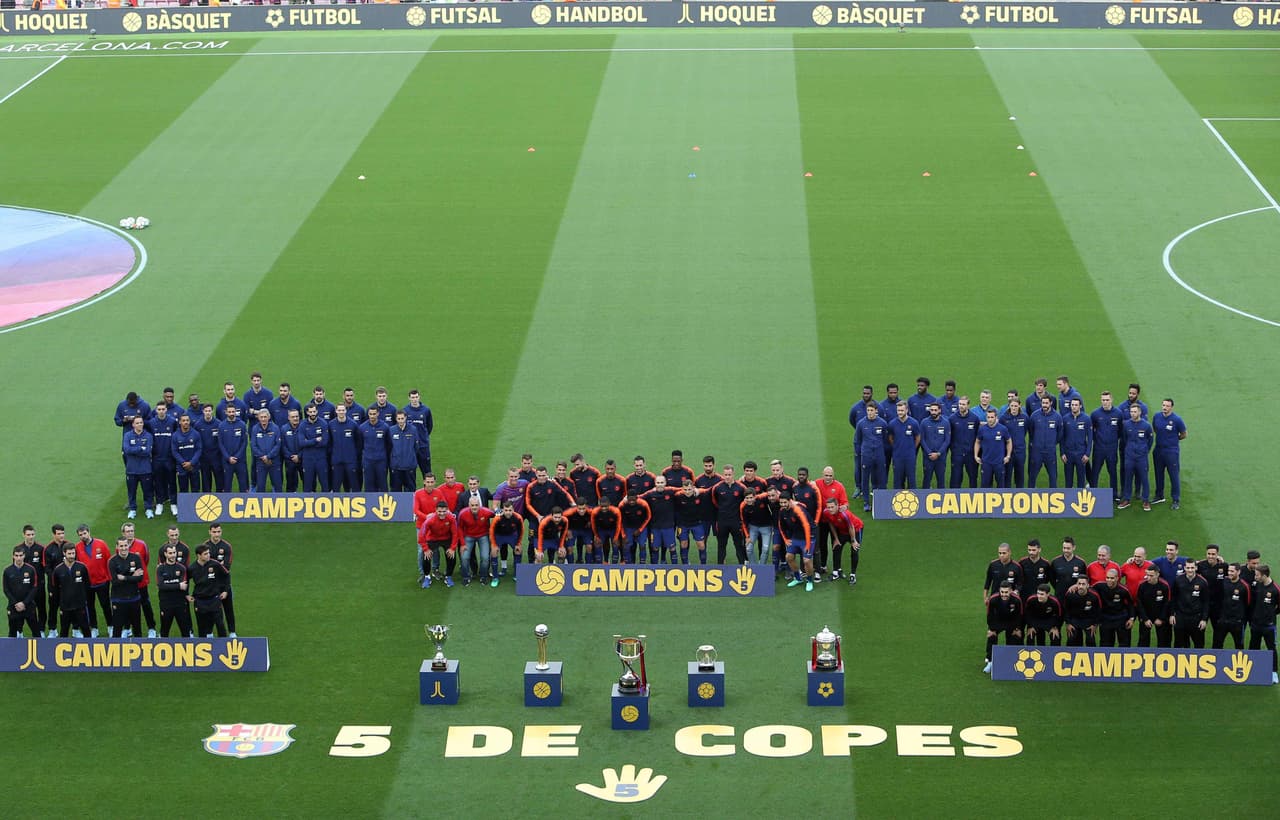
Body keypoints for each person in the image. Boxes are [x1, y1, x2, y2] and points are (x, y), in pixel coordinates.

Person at [121, 522, 157, 638]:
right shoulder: (121, 546)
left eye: (132, 531)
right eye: (128, 531)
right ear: (123, 533)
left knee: (145, 604)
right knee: (127, 605)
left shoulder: (142, 544)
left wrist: (139, 573)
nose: (130, 533)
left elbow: (145, 560)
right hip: (127, 583)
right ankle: (127, 628)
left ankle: (151, 628)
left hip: (141, 581)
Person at [76, 525, 112, 637]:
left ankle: (111, 626)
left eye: (84, 533)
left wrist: (109, 578)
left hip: (102, 582)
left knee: (105, 605)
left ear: (89, 532)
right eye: (80, 535)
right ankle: (94, 628)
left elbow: (109, 561)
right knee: (90, 607)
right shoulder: (77, 547)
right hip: (87, 584)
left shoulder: (101, 544)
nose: (83, 536)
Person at [187, 544, 229, 638]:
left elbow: (226, 575)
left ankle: (224, 647)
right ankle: (203, 648)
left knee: (220, 625)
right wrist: (187, 594)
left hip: (214, 599)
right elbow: (185, 580)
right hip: (200, 601)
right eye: (205, 554)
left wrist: (225, 591)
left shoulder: (215, 564)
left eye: (208, 553)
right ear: (199, 555)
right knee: (202, 627)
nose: (208, 555)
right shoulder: (192, 568)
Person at [1152, 398, 1187, 509]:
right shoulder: (1157, 416)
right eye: (1163, 405)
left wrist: (1173, 440)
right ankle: (1159, 495)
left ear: (1171, 407)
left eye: (1167, 406)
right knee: (1158, 474)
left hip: (1171, 452)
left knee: (1174, 476)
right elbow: (1155, 428)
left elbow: (1184, 434)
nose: (1164, 407)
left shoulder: (1177, 419)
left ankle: (1176, 499)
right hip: (1158, 450)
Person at [854, 403, 890, 510]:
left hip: (879, 454)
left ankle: (882, 501)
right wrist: (859, 452)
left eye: (871, 410)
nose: (870, 413)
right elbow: (857, 440)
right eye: (868, 410)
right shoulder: (861, 424)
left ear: (876, 411)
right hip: (866, 455)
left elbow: (885, 439)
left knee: (881, 477)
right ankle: (866, 502)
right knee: (865, 478)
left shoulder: (882, 423)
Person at [819, 497, 863, 585]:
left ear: (837, 506)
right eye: (828, 507)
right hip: (842, 531)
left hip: (856, 529)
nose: (830, 509)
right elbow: (831, 524)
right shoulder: (826, 512)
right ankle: (836, 572)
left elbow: (851, 527)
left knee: (854, 550)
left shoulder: (844, 514)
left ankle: (853, 575)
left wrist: (853, 541)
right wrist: (836, 538)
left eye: (832, 507)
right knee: (836, 547)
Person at [107, 536, 144, 638]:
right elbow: (115, 582)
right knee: (117, 629)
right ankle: (115, 651)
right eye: (121, 546)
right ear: (117, 547)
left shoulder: (136, 558)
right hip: (118, 599)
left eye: (125, 545)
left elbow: (140, 578)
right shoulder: (112, 561)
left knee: (137, 628)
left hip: (134, 598)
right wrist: (132, 576)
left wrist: (124, 578)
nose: (124, 548)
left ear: (128, 545)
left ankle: (139, 649)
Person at [203, 525, 236, 637]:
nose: (216, 534)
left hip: (224, 583)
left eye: (218, 532)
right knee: (211, 609)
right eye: (214, 532)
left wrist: (212, 564)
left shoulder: (227, 546)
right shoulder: (205, 546)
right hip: (210, 585)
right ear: (210, 532)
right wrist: (218, 564)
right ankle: (209, 632)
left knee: (228, 608)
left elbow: (226, 567)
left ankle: (232, 632)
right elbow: (204, 565)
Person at [1089, 391, 1124, 498]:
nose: (1105, 402)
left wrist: (1112, 440)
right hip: (1098, 448)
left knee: (1112, 471)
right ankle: (1093, 492)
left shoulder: (1118, 413)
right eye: (1103, 400)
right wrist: (1098, 440)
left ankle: (1114, 495)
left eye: (1107, 400)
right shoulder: (1095, 414)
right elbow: (1091, 431)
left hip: (1112, 449)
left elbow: (1120, 431)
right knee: (1095, 471)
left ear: (1111, 400)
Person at [1247, 565, 1279, 683]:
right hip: (1255, 624)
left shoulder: (1275, 589)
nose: (1255, 577)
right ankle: (1251, 670)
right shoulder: (1258, 585)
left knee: (1271, 648)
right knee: (1253, 647)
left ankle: (1273, 672)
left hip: (1269, 626)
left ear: (1264, 576)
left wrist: (1270, 614)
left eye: (1257, 575)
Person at [418, 500, 461, 588]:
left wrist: (452, 548)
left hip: (446, 539)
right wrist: (426, 549)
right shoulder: (430, 520)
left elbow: (455, 534)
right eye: (439, 511)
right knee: (426, 556)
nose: (442, 513)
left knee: (452, 556)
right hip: (433, 539)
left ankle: (448, 576)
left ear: (447, 510)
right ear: (436, 510)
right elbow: (421, 535)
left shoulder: (451, 518)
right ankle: (427, 577)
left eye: (444, 511)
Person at [777, 494, 815, 592]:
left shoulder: (798, 510)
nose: (783, 504)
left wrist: (807, 544)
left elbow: (807, 527)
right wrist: (785, 539)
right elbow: (781, 527)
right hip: (795, 537)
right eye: (781, 502)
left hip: (809, 536)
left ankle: (810, 581)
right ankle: (798, 578)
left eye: (785, 502)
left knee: (806, 560)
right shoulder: (782, 511)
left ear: (790, 501)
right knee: (788, 557)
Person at [1119, 403, 1154, 510]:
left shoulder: (1146, 425)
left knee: (1144, 479)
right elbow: (1124, 439)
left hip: (1141, 458)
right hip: (1129, 457)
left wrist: (1144, 451)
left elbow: (1150, 440)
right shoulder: (1126, 425)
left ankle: (1146, 500)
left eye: (1135, 412)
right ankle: (1126, 499)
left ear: (1139, 412)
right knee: (1128, 478)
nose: (1133, 414)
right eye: (1131, 412)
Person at [52, 544, 90, 638]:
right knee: (64, 630)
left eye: (73, 553)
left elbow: (87, 585)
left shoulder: (82, 567)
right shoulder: (58, 570)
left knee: (85, 629)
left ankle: (90, 649)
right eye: (69, 553)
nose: (72, 556)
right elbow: (56, 589)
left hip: (80, 605)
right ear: (64, 553)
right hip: (65, 606)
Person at [983, 581, 1023, 673]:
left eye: (1006, 592)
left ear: (1011, 591)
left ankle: (1011, 662)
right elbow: (990, 615)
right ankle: (990, 662)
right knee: (991, 637)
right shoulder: (993, 599)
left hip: (1011, 622)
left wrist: (1017, 629)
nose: (1004, 594)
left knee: (1014, 638)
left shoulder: (1017, 600)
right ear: (999, 591)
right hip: (998, 622)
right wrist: (992, 629)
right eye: (1002, 592)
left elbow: (1019, 615)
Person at [711, 465, 746, 565]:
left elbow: (746, 501)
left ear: (733, 474)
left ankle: (742, 566)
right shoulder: (717, 488)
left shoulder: (741, 487)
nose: (727, 477)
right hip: (722, 522)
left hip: (736, 522)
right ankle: (720, 567)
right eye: (725, 475)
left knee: (739, 545)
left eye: (729, 475)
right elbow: (714, 501)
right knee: (721, 545)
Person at [15, 525, 46, 637]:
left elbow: (45, 567)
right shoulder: (19, 549)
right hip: (24, 587)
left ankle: (41, 630)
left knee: (41, 608)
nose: (30, 537)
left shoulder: (41, 548)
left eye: (32, 534)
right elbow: (15, 568)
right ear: (23, 534)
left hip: (38, 586)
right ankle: (19, 631)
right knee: (22, 608)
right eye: (28, 535)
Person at [122, 416, 156, 520]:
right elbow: (126, 450)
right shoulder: (127, 435)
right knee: (131, 491)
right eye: (137, 423)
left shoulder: (148, 436)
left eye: (141, 422)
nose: (139, 424)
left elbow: (147, 452)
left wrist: (135, 450)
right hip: (131, 469)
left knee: (147, 490)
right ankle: (132, 509)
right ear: (133, 424)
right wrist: (140, 448)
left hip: (145, 469)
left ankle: (148, 508)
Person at [457, 497, 496, 587]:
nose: (474, 507)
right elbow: (459, 528)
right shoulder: (462, 514)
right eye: (472, 505)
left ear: (480, 505)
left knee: (485, 557)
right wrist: (462, 544)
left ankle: (483, 576)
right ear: (469, 505)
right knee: (464, 557)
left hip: (483, 536)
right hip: (468, 536)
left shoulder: (487, 512)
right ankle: (466, 577)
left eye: (476, 505)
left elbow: (496, 515)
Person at [147, 403, 177, 516]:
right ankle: (159, 503)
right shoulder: (151, 423)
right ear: (156, 410)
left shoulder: (173, 422)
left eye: (163, 409)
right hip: (156, 458)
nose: (161, 411)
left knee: (172, 482)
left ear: (166, 410)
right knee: (158, 482)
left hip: (169, 458)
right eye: (159, 409)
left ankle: (174, 504)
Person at [1171, 559, 1209, 648]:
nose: (1190, 570)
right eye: (1188, 568)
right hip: (1181, 617)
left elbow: (1206, 602)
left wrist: (1204, 619)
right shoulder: (1178, 580)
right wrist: (1172, 614)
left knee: (1199, 644)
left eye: (1192, 567)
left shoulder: (1202, 582)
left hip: (1196, 617)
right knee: (1179, 644)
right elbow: (1173, 598)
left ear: (1196, 568)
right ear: (1184, 568)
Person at [1093, 568, 1135, 647]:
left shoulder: (1124, 590)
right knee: (1105, 644)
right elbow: (1088, 589)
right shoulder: (1099, 586)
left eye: (1112, 578)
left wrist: (1131, 619)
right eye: (1107, 578)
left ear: (1117, 578)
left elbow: (1130, 604)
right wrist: (1075, 586)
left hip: (1121, 618)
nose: (1109, 580)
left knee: (1124, 644)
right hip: (1105, 619)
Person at [1027, 395, 1062, 488]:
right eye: (1043, 403)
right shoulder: (1034, 416)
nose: (1044, 405)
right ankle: (1030, 495)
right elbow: (1031, 431)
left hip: (1050, 452)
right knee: (1032, 476)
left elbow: (1060, 433)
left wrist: (1052, 443)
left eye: (1046, 403)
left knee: (1053, 476)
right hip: (1037, 451)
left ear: (1051, 403)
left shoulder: (1057, 417)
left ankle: (1053, 496)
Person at [5, 546, 40, 637]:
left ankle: (41, 650)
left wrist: (24, 603)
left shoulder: (31, 569)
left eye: (21, 555)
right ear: (13, 556)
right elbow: (6, 589)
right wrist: (16, 603)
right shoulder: (7, 571)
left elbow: (34, 587)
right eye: (16, 555)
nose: (19, 558)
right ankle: (11, 651)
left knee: (36, 632)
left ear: (24, 556)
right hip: (13, 607)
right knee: (12, 633)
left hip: (29, 606)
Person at [1213, 563, 1250, 650]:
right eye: (1229, 571)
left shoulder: (1245, 586)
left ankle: (1240, 663)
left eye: (1232, 571)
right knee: (1217, 645)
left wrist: (1241, 619)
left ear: (1239, 572)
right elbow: (1218, 598)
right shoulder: (1223, 582)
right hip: (1223, 620)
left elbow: (1247, 603)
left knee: (1239, 647)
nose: (1229, 573)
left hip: (1237, 622)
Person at [44, 525, 72, 637]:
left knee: (71, 607)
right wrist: (57, 578)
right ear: (54, 534)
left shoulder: (69, 545)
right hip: (54, 585)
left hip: (68, 585)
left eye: (62, 533)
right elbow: (47, 568)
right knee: (53, 607)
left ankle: (75, 628)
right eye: (59, 533)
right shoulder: (48, 549)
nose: (61, 535)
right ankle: (52, 629)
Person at [948, 397, 982, 489]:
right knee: (956, 478)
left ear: (968, 405)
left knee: (973, 477)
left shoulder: (974, 418)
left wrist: (976, 453)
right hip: (957, 454)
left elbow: (978, 437)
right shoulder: (952, 419)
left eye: (963, 404)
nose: (961, 406)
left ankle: (973, 497)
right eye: (960, 404)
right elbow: (949, 436)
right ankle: (954, 498)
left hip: (970, 454)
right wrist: (953, 449)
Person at [1136, 566, 1173, 647]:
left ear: (1157, 575)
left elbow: (1167, 603)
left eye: (1151, 576)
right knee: (1143, 641)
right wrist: (1145, 619)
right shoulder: (1142, 585)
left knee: (1164, 641)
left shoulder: (1164, 585)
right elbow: (1139, 603)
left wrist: (1161, 618)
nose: (1148, 578)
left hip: (1161, 616)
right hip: (1146, 615)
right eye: (1147, 575)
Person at [888, 402, 921, 490]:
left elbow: (918, 438)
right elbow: (890, 438)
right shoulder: (892, 424)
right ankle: (898, 500)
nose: (900, 412)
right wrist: (896, 447)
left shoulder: (914, 423)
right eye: (898, 410)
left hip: (910, 456)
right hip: (897, 456)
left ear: (906, 410)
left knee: (911, 480)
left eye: (902, 410)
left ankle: (913, 500)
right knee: (898, 480)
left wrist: (912, 448)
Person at [848, 385, 875, 495]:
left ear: (872, 394)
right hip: (859, 442)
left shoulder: (877, 407)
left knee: (874, 465)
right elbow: (852, 420)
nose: (865, 395)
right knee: (858, 465)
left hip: (873, 442)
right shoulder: (856, 408)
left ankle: (874, 487)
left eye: (868, 393)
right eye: (864, 393)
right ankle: (859, 487)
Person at [974, 408, 1011, 488]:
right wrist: (976, 455)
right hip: (986, 462)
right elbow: (977, 442)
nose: (990, 419)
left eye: (992, 417)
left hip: (999, 463)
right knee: (985, 486)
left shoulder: (1003, 429)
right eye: (988, 417)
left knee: (1001, 486)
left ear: (996, 417)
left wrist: (1008, 456)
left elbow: (1009, 441)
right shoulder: (982, 429)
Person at [489, 501, 525, 582]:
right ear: (503, 510)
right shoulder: (497, 518)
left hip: (512, 536)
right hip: (499, 536)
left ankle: (516, 575)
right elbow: (491, 531)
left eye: (510, 510)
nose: (508, 512)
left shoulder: (518, 517)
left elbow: (521, 531)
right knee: (494, 552)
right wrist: (494, 544)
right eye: (506, 510)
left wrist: (518, 543)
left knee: (518, 550)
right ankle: (495, 577)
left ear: (513, 510)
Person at [1059, 398, 1092, 489]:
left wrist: (1087, 454)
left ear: (1080, 406)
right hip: (1068, 454)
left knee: (1081, 480)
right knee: (1068, 480)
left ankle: (1080, 500)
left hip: (1081, 454)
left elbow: (1090, 438)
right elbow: (1062, 437)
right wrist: (1062, 453)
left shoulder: (1086, 419)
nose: (1074, 407)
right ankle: (1069, 499)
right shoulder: (1065, 419)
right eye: (1072, 405)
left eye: (1076, 405)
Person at [401, 389, 434, 478]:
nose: (414, 399)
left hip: (423, 446)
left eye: (416, 397)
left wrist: (423, 436)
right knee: (410, 471)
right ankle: (411, 491)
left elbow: (429, 426)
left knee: (426, 471)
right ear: (409, 398)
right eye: (412, 397)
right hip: (410, 446)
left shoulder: (426, 410)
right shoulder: (405, 411)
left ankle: (427, 490)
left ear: (419, 397)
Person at [248, 409, 282, 493]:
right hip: (260, 462)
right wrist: (263, 457)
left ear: (269, 417)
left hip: (274, 461)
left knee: (277, 486)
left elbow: (277, 445)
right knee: (260, 486)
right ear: (258, 418)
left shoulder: (275, 428)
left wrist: (268, 456)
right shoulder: (255, 428)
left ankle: (278, 503)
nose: (263, 419)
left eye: (265, 417)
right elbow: (253, 445)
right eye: (261, 417)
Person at [740, 487, 775, 567]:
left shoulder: (762, 497)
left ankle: (761, 568)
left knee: (765, 549)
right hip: (753, 528)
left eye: (751, 497)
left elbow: (774, 494)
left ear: (755, 496)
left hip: (766, 528)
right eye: (747, 498)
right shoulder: (743, 505)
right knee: (749, 549)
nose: (749, 500)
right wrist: (747, 536)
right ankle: (753, 567)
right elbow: (744, 522)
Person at [328, 404, 359, 492]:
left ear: (346, 411)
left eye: (343, 410)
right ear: (336, 411)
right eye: (339, 410)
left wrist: (354, 455)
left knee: (354, 485)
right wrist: (333, 454)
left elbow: (358, 442)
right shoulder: (331, 425)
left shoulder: (353, 424)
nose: (341, 412)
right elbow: (329, 442)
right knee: (336, 486)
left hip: (350, 460)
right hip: (337, 461)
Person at [1063, 576, 1102, 647]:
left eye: (1083, 584)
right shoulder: (1070, 594)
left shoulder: (1094, 596)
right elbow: (1066, 610)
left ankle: (1091, 656)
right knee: (1071, 639)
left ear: (1088, 585)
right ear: (1076, 584)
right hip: (1075, 619)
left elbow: (1098, 610)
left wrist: (1094, 624)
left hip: (1088, 620)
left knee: (1091, 640)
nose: (1081, 586)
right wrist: (1068, 623)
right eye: (1079, 584)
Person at [998, 398, 1029, 488]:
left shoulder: (1024, 418)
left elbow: (1025, 430)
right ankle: (1007, 495)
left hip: (1020, 451)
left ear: (1020, 405)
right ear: (1009, 406)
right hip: (1007, 452)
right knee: (1007, 474)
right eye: (1012, 406)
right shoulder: (1003, 418)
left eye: (1016, 406)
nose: (1014, 408)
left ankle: (1020, 494)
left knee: (1020, 474)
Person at [358, 407, 391, 492]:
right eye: (370, 414)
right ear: (368, 414)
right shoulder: (362, 427)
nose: (372, 416)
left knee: (382, 484)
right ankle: (370, 504)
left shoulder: (385, 427)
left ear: (378, 414)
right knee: (369, 485)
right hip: (368, 461)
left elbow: (389, 444)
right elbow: (360, 445)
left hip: (381, 461)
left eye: (374, 414)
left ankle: (384, 504)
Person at [298, 405, 330, 493]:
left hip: (321, 458)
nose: (312, 413)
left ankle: (326, 502)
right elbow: (301, 443)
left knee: (324, 483)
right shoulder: (302, 425)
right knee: (308, 484)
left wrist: (308, 442)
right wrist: (315, 440)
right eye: (310, 412)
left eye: (314, 411)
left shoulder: (323, 423)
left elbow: (324, 442)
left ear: (316, 411)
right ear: (307, 412)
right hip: (308, 459)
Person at [920, 402, 951, 490]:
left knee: (941, 480)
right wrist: (929, 453)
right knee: (926, 480)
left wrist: (939, 453)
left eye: (935, 410)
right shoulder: (924, 422)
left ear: (940, 410)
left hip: (940, 458)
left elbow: (947, 440)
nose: (933, 412)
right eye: (932, 410)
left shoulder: (945, 423)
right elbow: (922, 439)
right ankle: (924, 498)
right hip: (928, 457)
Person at [171, 413, 203, 497]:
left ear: (190, 421)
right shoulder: (175, 435)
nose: (186, 422)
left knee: (195, 489)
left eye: (187, 420)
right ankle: (184, 509)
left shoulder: (196, 434)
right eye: (183, 420)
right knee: (183, 489)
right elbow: (174, 451)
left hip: (194, 466)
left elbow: (199, 449)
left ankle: (195, 508)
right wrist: (183, 463)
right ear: (180, 422)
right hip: (182, 467)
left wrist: (191, 463)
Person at [193, 404, 223, 492]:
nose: (208, 413)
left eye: (209, 411)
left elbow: (221, 441)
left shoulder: (219, 424)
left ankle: (220, 497)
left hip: (216, 457)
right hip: (204, 458)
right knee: (206, 480)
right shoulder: (198, 425)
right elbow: (196, 442)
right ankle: (207, 499)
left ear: (212, 411)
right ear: (203, 411)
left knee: (219, 479)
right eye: (206, 411)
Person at [387, 412, 418, 493]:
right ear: (396, 419)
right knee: (395, 492)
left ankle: (410, 506)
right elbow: (389, 447)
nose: (400, 421)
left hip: (409, 466)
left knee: (410, 491)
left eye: (402, 418)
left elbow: (416, 447)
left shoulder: (413, 429)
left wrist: (411, 458)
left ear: (406, 418)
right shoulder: (391, 430)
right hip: (396, 467)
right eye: (398, 419)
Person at [618, 493, 652, 565]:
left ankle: (642, 564)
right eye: (630, 500)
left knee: (642, 546)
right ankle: (629, 564)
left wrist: (640, 530)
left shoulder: (643, 504)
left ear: (637, 498)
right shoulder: (622, 505)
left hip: (641, 527)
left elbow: (649, 516)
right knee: (626, 545)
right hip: (628, 528)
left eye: (633, 500)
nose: (631, 502)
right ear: (627, 499)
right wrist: (623, 535)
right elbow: (620, 520)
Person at [564, 499, 595, 564]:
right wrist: (567, 530)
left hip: (586, 530)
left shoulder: (592, 511)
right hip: (573, 529)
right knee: (569, 548)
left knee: (589, 547)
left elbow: (598, 517)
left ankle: (588, 565)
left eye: (583, 508)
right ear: (576, 507)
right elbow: (561, 518)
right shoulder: (569, 511)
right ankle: (570, 566)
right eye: (579, 509)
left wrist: (591, 521)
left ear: (586, 506)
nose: (581, 511)